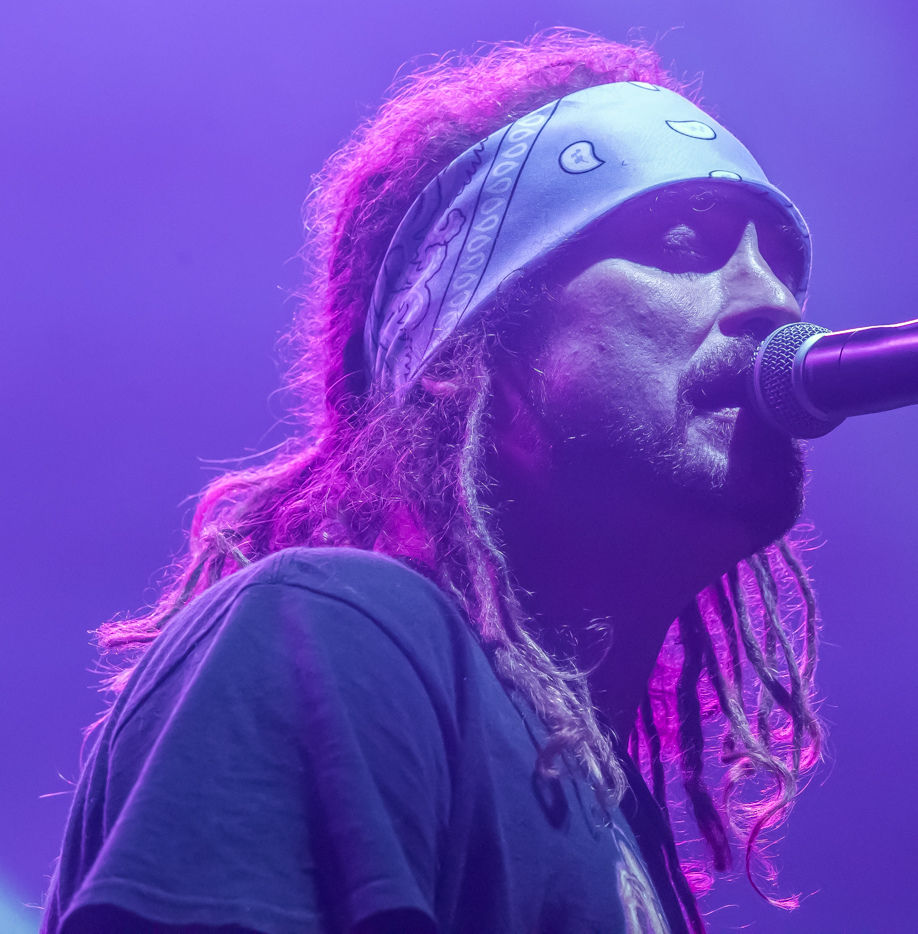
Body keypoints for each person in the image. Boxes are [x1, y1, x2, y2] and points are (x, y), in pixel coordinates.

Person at [42, 31, 824, 934]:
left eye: (784, 266)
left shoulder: (605, 807)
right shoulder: (338, 635)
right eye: (684, 242)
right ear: (470, 354)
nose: (776, 304)